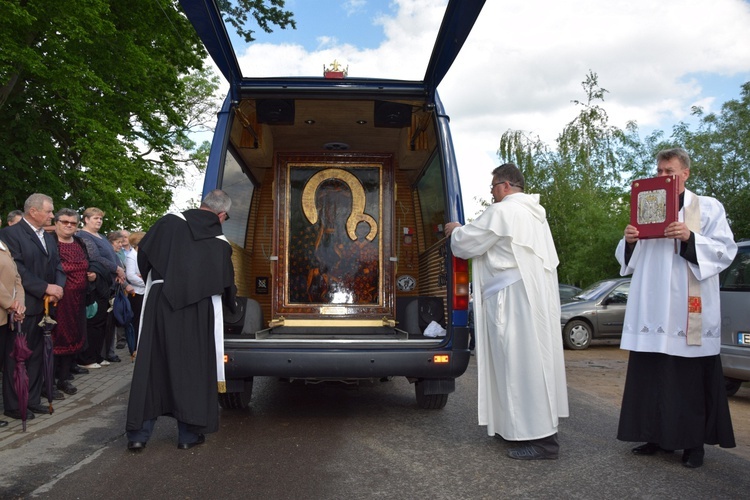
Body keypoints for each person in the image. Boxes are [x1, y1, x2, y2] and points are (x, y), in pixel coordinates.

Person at [615, 147, 737, 469]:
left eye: (669, 171)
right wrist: (629, 241)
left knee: (689, 380)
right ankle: (654, 436)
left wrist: (690, 237)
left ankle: (693, 445)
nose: (663, 176)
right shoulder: (648, 205)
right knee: (652, 374)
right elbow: (632, 261)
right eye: (658, 171)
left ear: (685, 173)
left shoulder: (707, 207)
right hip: (654, 307)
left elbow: (726, 250)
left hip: (687, 306)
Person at [444, 163, 569, 460]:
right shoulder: (536, 216)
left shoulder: (504, 211)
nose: (491, 194)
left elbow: (466, 244)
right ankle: (516, 430)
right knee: (527, 364)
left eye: (493, 188)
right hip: (531, 299)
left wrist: (456, 230)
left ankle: (541, 441)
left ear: (505, 186)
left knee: (520, 366)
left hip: (513, 301)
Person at [125, 189, 236, 451]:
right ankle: (188, 435)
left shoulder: (168, 222)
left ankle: (138, 436)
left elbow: (144, 256)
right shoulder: (221, 242)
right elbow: (227, 284)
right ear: (221, 215)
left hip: (161, 301)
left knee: (152, 364)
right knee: (193, 368)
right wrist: (232, 307)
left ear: (201, 205)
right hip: (198, 310)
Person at [0, 193, 66, 421]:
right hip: (23, 304)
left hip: (47, 305)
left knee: (39, 354)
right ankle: (15, 404)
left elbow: (57, 263)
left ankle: (33, 399)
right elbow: (17, 269)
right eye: (48, 211)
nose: (52, 215)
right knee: (18, 356)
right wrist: (44, 287)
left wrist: (58, 287)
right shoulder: (11, 234)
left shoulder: (48, 237)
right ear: (33, 211)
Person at [51, 209, 94, 396]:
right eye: (65, 221)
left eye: (73, 223)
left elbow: (87, 263)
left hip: (78, 299)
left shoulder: (79, 242)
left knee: (74, 335)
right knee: (57, 337)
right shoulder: (49, 242)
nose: (69, 225)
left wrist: (92, 275)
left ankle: (64, 377)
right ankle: (50, 380)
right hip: (58, 300)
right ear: (56, 223)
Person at [75, 209, 120, 369]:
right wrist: (117, 269)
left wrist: (118, 271)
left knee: (102, 322)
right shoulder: (83, 236)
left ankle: (98, 356)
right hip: (94, 284)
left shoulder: (101, 237)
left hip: (107, 283)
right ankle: (87, 358)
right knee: (92, 322)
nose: (99, 221)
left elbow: (113, 256)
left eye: (101, 218)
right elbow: (95, 257)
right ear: (86, 219)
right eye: (95, 218)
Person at [0, 224, 26, 427]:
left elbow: (16, 277)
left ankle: (11, 406)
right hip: (4, 309)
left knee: (8, 364)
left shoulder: (3, 245)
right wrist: (10, 303)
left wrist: (20, 304)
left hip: (7, 315)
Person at [124, 231, 146, 355]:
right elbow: (131, 276)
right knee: (137, 320)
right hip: (136, 293)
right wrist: (146, 282)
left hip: (143, 292)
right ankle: (136, 347)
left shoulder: (143, 254)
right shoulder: (131, 256)